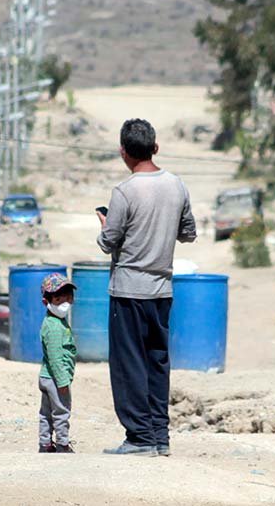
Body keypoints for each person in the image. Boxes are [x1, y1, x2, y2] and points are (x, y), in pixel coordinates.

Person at [97, 118, 196, 457]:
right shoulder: (177, 185)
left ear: (123, 152)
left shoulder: (124, 192)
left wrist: (106, 225)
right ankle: (159, 437)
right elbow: (188, 232)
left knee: (128, 365)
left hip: (127, 291)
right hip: (162, 292)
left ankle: (139, 438)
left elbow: (108, 242)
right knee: (157, 363)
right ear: (155, 147)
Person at [37, 272, 77, 454]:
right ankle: (62, 444)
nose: (65, 303)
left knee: (46, 413)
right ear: (47, 301)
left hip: (46, 376)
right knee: (61, 412)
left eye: (68, 297)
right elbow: (54, 357)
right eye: (59, 298)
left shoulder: (56, 321)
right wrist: (62, 381)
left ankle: (45, 444)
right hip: (54, 378)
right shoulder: (53, 327)